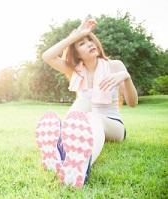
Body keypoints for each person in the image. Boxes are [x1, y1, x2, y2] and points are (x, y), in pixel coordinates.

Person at [35, 16, 138, 188]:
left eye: (90, 40)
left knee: (93, 117)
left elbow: (133, 103)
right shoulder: (75, 71)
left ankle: (81, 166)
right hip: (87, 125)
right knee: (82, 104)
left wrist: (126, 78)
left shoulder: (114, 66)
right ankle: (61, 150)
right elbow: (47, 56)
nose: (89, 44)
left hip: (113, 126)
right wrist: (76, 35)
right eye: (82, 43)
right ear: (76, 54)